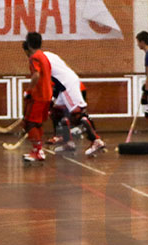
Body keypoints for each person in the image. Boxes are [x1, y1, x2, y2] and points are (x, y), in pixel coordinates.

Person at [37, 45, 105, 157]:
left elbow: (48, 81)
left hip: (67, 84)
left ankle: (96, 141)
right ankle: (68, 143)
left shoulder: (40, 59)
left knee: (77, 114)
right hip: (64, 84)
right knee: (56, 112)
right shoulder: (49, 54)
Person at [21, 32, 52, 164]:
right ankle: (39, 150)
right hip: (47, 95)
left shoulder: (34, 57)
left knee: (30, 123)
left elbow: (36, 75)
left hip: (39, 95)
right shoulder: (44, 56)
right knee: (37, 123)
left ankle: (37, 151)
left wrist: (28, 91)